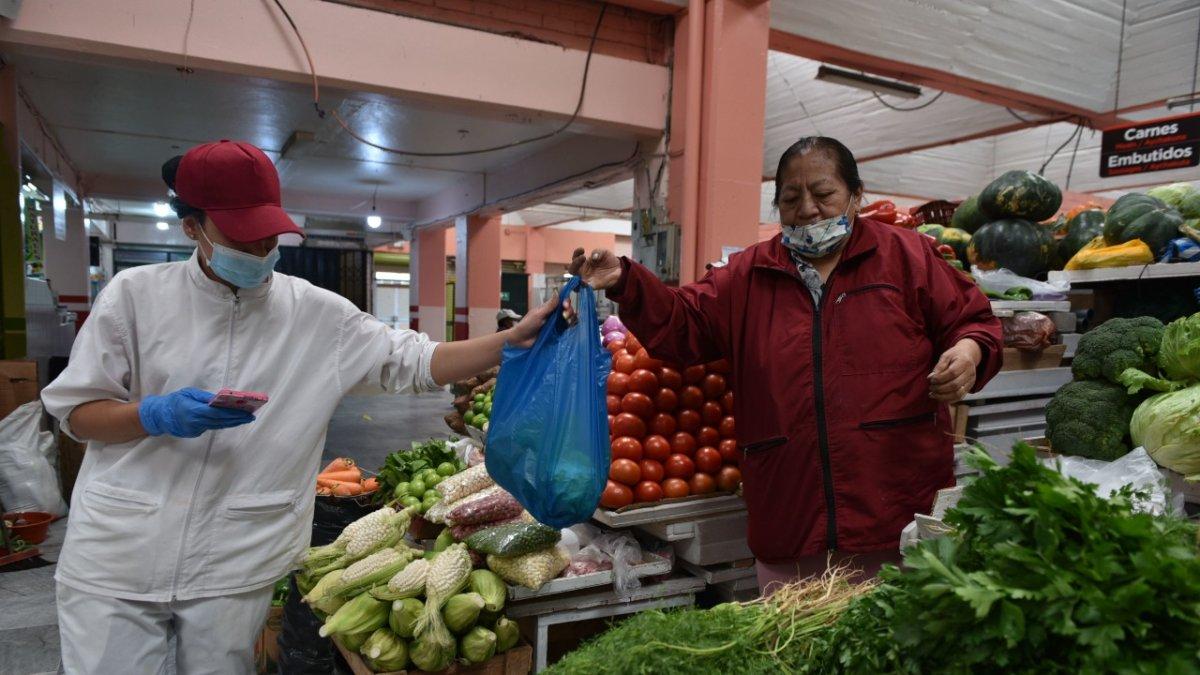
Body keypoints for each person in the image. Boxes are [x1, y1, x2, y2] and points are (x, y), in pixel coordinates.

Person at [40, 140, 555, 674]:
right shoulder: (134, 296)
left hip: (237, 550)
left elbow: (414, 361)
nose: (261, 245)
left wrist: (510, 340)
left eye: (270, 231)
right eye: (241, 233)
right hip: (121, 546)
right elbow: (78, 413)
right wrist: (152, 415)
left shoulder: (315, 314)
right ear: (192, 227)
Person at [570, 136, 1002, 594]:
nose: (809, 209)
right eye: (791, 199)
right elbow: (683, 322)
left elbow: (973, 321)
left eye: (824, 194)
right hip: (791, 519)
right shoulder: (748, 275)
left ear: (856, 195)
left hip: (894, 510)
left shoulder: (907, 257)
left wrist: (970, 351)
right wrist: (627, 282)